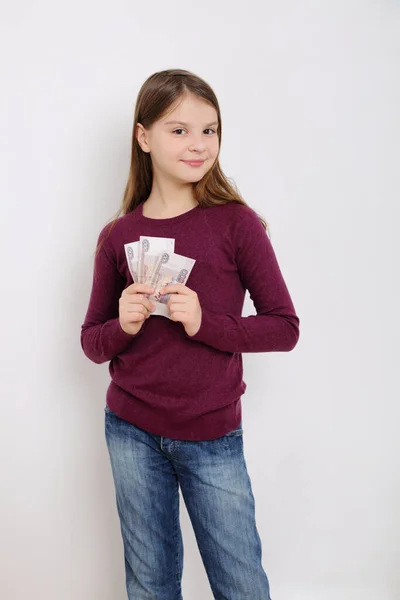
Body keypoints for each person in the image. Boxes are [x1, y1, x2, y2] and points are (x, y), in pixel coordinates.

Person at [80, 68, 300, 600]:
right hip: (130, 431)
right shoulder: (118, 235)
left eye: (210, 129)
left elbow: (284, 327)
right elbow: (91, 341)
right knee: (150, 583)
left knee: (240, 583)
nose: (199, 144)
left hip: (213, 436)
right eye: (179, 130)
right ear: (143, 137)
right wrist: (123, 326)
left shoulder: (236, 225)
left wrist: (206, 324)